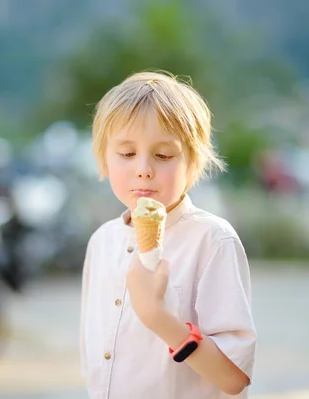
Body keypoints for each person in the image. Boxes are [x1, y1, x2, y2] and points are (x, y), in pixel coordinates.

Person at [80, 71, 256, 399]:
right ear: (104, 158)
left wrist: (156, 316)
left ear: (193, 162)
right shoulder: (102, 242)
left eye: (163, 155)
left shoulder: (212, 241)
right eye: (127, 153)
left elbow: (234, 379)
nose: (143, 168)